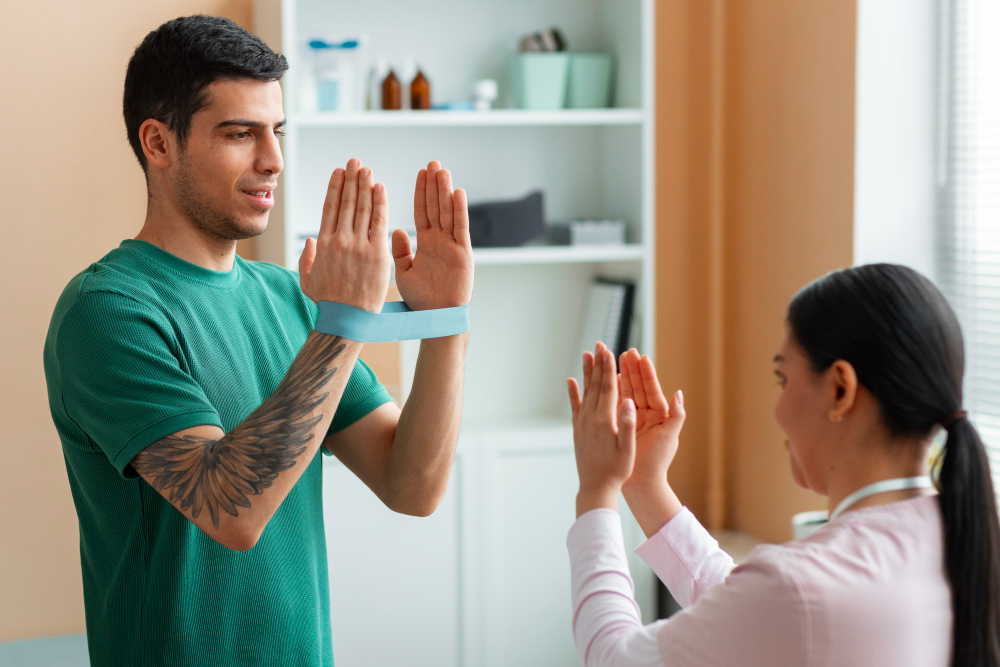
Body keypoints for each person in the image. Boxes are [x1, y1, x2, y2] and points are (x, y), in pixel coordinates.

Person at [42, 15, 473, 667]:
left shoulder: (291, 297)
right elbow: (229, 509)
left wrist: (444, 323)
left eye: (277, 132)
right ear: (158, 143)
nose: (272, 159)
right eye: (240, 134)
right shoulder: (105, 310)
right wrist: (342, 323)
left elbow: (412, 486)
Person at [566, 263, 1000, 666]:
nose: (776, 410)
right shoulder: (964, 534)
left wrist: (597, 491)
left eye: (783, 378)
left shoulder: (799, 587)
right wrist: (645, 484)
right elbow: (760, 618)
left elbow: (614, 658)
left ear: (840, 389)